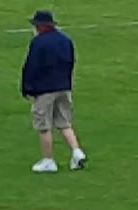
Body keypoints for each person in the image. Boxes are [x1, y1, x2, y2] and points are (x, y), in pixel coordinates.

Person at [21, 11, 87, 172]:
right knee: (64, 122)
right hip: (63, 87)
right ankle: (76, 151)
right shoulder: (65, 40)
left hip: (45, 90)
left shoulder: (39, 43)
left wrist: (27, 88)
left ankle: (48, 160)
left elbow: (32, 67)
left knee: (43, 125)